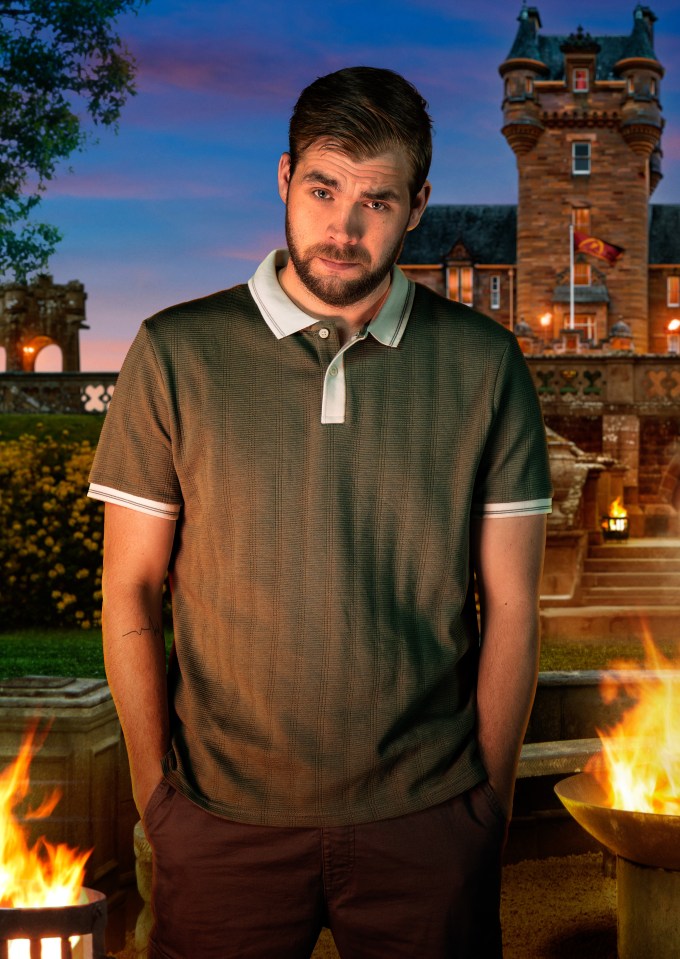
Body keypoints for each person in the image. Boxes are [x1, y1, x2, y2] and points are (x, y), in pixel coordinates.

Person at [89, 66, 552, 959]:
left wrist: (481, 813)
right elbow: (131, 590)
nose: (343, 227)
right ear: (283, 180)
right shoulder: (175, 352)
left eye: (377, 199)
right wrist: (159, 800)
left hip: (424, 821)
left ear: (417, 206)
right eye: (322, 189)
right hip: (224, 825)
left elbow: (513, 609)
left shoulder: (485, 365)